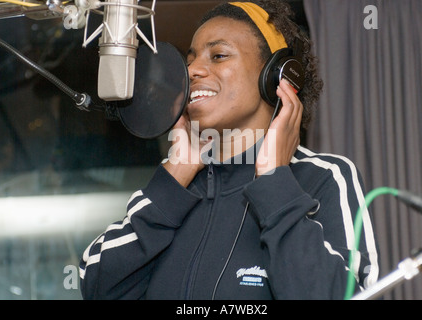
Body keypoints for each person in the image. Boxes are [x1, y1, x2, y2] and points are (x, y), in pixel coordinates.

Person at [79, 0, 379, 300]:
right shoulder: (175, 189)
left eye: (219, 55)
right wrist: (170, 185)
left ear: (278, 77)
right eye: (190, 59)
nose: (193, 70)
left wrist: (276, 181)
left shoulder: (323, 177)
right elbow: (96, 285)